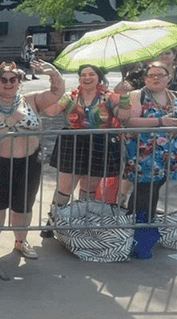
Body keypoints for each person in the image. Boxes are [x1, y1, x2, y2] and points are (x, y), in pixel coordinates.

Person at [0, 61, 65, 260]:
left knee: (23, 205)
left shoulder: (32, 101)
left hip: (28, 163)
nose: (8, 83)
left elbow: (57, 93)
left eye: (13, 79)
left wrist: (53, 73)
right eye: (4, 79)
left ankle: (21, 241)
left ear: (20, 82)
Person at [117, 61, 177, 259]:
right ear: (144, 79)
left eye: (160, 74)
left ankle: (143, 231)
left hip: (169, 155)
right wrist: (161, 122)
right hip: (145, 156)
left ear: (169, 78)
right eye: (151, 75)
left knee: (153, 192)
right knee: (144, 192)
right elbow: (130, 121)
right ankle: (139, 236)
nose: (155, 78)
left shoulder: (176, 96)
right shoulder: (139, 95)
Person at [41, 64, 123, 222]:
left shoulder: (109, 96)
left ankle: (81, 222)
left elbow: (123, 115)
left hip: (99, 142)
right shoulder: (70, 96)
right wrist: (55, 88)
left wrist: (124, 98)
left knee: (89, 188)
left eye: (91, 74)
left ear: (98, 77)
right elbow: (51, 112)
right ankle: (53, 222)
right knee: (65, 187)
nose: (87, 78)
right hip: (73, 143)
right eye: (83, 75)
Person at [115, 48, 177, 116]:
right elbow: (119, 90)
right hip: (146, 122)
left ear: (174, 55)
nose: (163, 56)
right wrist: (124, 83)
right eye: (159, 53)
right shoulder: (140, 74)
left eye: (167, 53)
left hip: (174, 125)